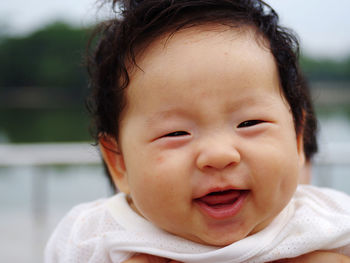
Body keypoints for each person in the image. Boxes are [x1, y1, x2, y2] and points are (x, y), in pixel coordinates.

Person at [44, 0, 350, 262]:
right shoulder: (92, 235)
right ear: (119, 163)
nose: (219, 155)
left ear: (297, 140)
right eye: (176, 133)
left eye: (249, 123)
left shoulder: (330, 220)